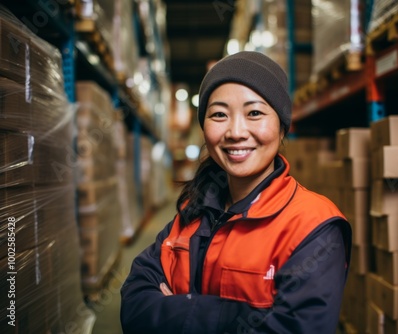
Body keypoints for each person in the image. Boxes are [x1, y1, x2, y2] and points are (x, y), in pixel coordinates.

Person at [120, 51, 352, 333]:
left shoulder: (313, 226)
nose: (236, 132)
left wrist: (181, 311)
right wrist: (242, 316)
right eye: (219, 114)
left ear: (281, 127)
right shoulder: (193, 212)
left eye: (254, 113)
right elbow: (135, 305)